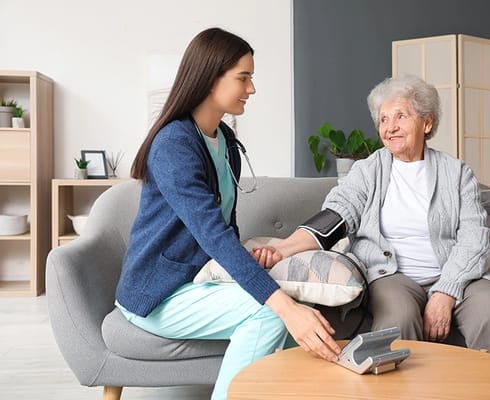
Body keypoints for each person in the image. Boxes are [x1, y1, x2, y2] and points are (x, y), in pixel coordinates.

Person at [114, 27, 340, 400]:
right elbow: (212, 234)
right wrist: (282, 305)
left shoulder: (225, 140)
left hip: (198, 278)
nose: (251, 89)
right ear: (209, 77)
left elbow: (226, 228)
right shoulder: (174, 143)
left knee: (293, 305)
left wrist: (250, 266)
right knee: (272, 312)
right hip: (159, 293)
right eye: (244, 78)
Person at [253, 74, 490, 361]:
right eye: (383, 119)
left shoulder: (457, 173)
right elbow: (335, 217)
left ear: (427, 123)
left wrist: (446, 290)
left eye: (401, 116)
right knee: (398, 317)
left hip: (456, 274)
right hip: (391, 275)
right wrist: (282, 249)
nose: (390, 127)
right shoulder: (368, 171)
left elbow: (474, 238)